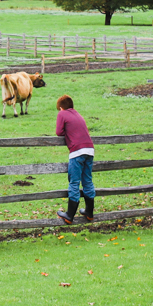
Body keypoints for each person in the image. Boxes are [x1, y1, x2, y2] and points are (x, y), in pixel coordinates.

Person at [54, 94, 96, 224]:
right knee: (87, 181)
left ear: (61, 108)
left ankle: (69, 215)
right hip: (89, 149)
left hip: (77, 151)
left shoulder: (62, 114)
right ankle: (89, 212)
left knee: (74, 182)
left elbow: (58, 132)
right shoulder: (77, 114)